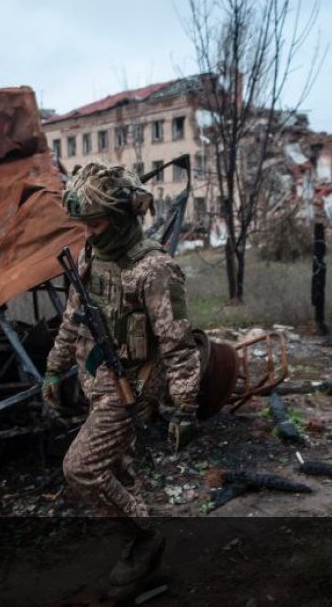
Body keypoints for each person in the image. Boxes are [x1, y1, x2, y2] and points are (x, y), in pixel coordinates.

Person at [41, 162, 201, 587]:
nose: (88, 233)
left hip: (134, 385)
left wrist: (185, 406)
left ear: (124, 215)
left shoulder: (155, 269)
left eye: (95, 223)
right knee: (120, 472)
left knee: (81, 469)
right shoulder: (91, 255)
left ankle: (146, 540)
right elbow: (73, 318)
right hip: (97, 379)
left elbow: (178, 343)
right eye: (84, 224)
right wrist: (54, 370)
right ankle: (143, 558)